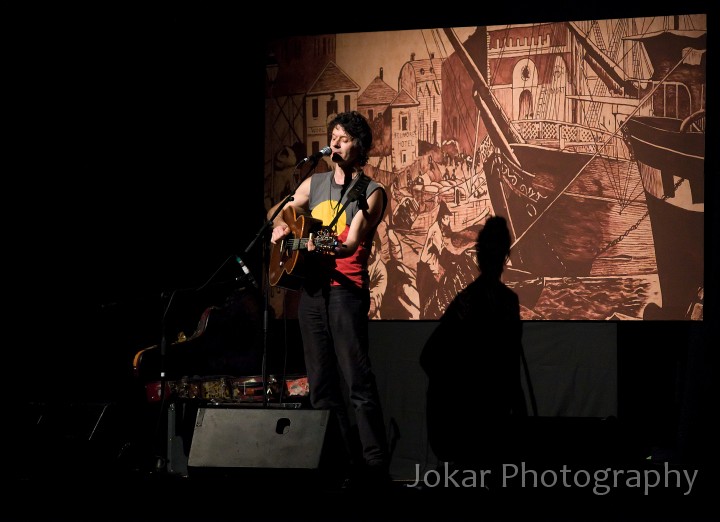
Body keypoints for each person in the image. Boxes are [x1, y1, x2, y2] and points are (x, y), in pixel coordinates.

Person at [267, 111, 391, 487]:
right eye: (333, 135)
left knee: (356, 381)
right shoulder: (314, 182)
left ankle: (374, 465)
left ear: (360, 148)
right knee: (320, 383)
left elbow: (350, 242)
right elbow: (275, 212)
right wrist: (281, 224)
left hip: (346, 292)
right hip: (312, 293)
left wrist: (307, 242)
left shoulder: (371, 192)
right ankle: (340, 461)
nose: (335, 142)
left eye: (345, 138)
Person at [419, 215, 527, 473]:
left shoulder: (475, 299)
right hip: (472, 423)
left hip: (469, 423)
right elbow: (510, 369)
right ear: (505, 256)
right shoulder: (488, 301)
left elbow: (429, 356)